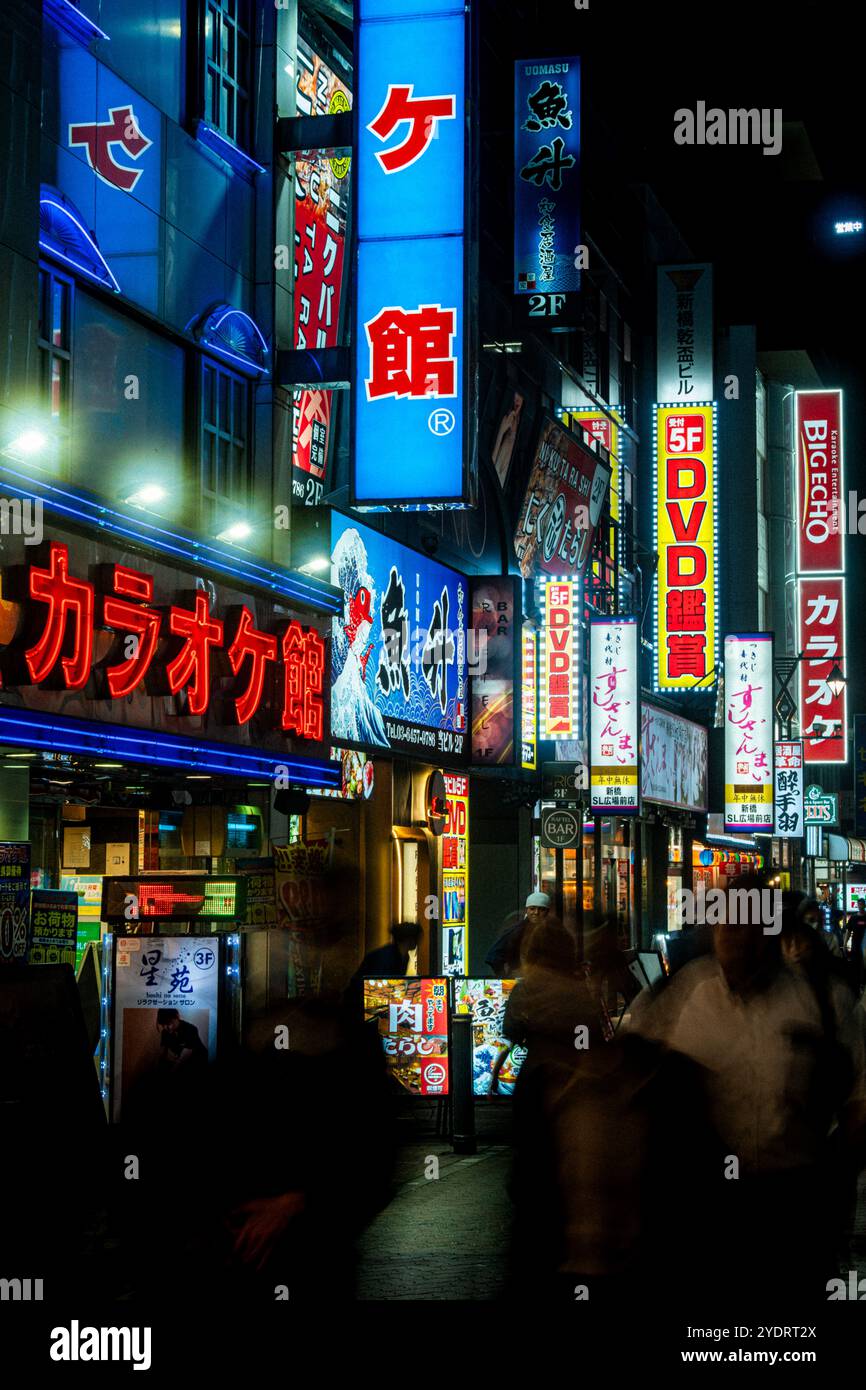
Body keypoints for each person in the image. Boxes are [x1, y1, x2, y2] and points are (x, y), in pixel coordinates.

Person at [629, 876, 866, 1301]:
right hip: (704, 1212)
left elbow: (859, 1098)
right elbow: (629, 1091)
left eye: (752, 926)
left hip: (795, 1209)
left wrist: (836, 1177)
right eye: (729, 925)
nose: (738, 938)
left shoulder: (824, 1002)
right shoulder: (681, 999)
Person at [485, 892, 550, 978]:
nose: (536, 912)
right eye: (532, 909)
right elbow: (493, 956)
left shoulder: (552, 931)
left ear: (548, 911)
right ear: (527, 910)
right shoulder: (517, 930)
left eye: (541, 909)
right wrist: (505, 978)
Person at [844, 897, 866, 994]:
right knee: (855, 964)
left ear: (864, 905)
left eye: (862, 904)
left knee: (864, 965)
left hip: (864, 946)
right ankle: (856, 984)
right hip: (855, 945)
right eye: (859, 904)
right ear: (857, 905)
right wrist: (845, 943)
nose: (860, 906)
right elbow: (848, 931)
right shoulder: (853, 918)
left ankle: (862, 984)